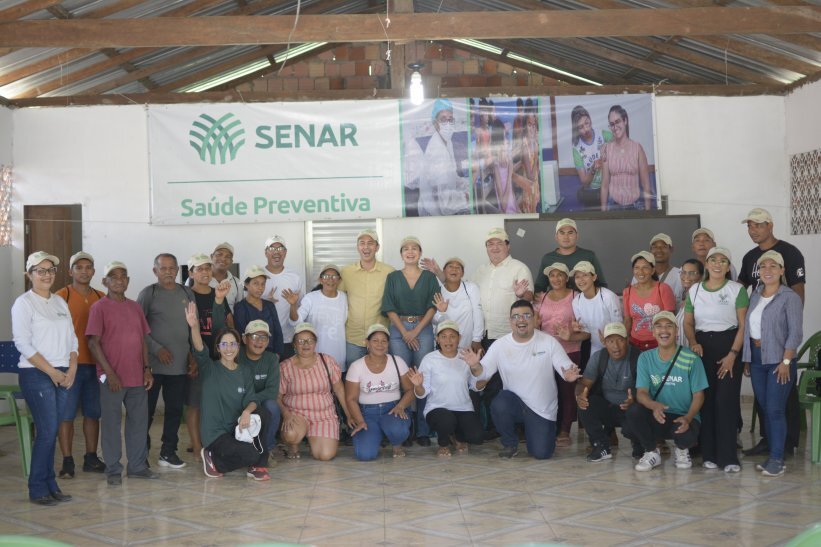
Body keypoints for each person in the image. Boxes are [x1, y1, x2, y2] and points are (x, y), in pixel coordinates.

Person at [462, 300, 582, 460]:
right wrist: (475, 366)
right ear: (510, 321)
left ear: (535, 318)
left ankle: (538, 433)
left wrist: (568, 375)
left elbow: (566, 367)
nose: (521, 320)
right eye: (516, 317)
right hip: (514, 404)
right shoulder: (500, 345)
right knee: (500, 402)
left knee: (541, 453)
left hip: (542, 410)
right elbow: (481, 374)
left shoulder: (548, 341)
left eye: (526, 315)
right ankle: (510, 443)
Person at [738, 208, 806, 460]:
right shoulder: (749, 259)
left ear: (770, 225)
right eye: (750, 226)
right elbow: (743, 294)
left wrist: (786, 334)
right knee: (765, 403)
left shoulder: (790, 252)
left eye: (758, 225)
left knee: (780, 403)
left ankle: (784, 446)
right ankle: (770, 443)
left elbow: (798, 291)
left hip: (780, 345)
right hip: (756, 353)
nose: (753, 230)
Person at [12, 251, 77, 506]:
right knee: (48, 431)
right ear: (30, 274)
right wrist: (52, 372)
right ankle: (38, 488)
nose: (47, 275)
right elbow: (23, 344)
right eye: (41, 270)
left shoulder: (60, 302)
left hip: (63, 373)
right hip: (37, 373)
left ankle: (51, 485)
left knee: (52, 430)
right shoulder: (24, 303)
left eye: (50, 270)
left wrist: (71, 369)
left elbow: (72, 338)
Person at [86, 261, 159, 485]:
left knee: (138, 422)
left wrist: (147, 369)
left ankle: (137, 466)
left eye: (123, 276)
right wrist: (111, 374)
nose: (119, 280)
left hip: (137, 376)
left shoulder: (135, 307)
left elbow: (143, 340)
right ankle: (113, 469)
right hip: (111, 379)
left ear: (128, 281)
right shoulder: (99, 307)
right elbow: (93, 343)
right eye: (113, 276)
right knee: (111, 424)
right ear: (104, 281)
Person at [185, 302, 271, 481]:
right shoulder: (209, 368)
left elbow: (252, 399)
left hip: (236, 429)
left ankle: (257, 467)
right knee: (251, 454)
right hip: (216, 434)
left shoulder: (244, 372)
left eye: (233, 344)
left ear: (238, 347)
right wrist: (194, 327)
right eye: (224, 345)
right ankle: (213, 459)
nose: (229, 348)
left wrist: (248, 412)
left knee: (264, 413)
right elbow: (199, 347)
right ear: (218, 348)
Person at [683, 246, 748, 473]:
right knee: (707, 401)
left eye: (723, 261)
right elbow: (688, 323)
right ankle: (709, 454)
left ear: (728, 266)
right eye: (713, 260)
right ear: (707, 265)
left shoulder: (736, 290)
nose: (718, 264)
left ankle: (729, 457)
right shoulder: (695, 290)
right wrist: (693, 342)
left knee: (725, 401)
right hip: (703, 350)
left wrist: (732, 355)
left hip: (728, 347)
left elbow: (742, 326)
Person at [470, 227, 534, 434]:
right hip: (486, 336)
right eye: (490, 244)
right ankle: (496, 426)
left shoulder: (519, 268)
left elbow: (529, 299)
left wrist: (522, 294)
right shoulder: (479, 271)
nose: (494, 247)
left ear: (508, 246)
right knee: (489, 382)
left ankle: (521, 426)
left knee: (513, 381)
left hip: (510, 336)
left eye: (499, 243)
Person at [626, 311, 708, 472]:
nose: (664, 331)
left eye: (669, 326)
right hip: (659, 414)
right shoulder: (645, 358)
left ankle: (682, 450)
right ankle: (651, 452)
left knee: (685, 435)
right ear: (653, 332)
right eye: (659, 326)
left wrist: (688, 417)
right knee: (633, 412)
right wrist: (653, 405)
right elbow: (641, 392)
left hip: (683, 416)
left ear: (677, 331)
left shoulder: (691, 358)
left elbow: (699, 395)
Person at [137, 253, 194, 470]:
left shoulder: (186, 292)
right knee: (147, 411)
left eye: (172, 268)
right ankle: (140, 452)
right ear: (155, 271)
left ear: (178, 270)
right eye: (164, 268)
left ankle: (168, 452)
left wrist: (191, 356)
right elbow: (139, 329)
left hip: (179, 365)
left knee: (173, 411)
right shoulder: (148, 293)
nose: (169, 271)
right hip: (153, 366)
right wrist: (156, 348)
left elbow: (191, 327)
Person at [381, 236, 439, 446]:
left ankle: (423, 430)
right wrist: (404, 332)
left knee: (422, 378)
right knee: (402, 379)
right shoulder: (393, 277)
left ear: (420, 252)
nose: (410, 251)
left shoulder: (430, 277)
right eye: (406, 248)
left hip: (422, 329)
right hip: (398, 329)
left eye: (415, 248)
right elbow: (389, 307)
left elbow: (433, 306)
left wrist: (415, 331)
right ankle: (403, 429)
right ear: (401, 254)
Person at [54, 251, 105, 478]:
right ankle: (67, 461)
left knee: (93, 414)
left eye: (88, 267)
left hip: (95, 366)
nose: (84, 271)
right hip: (69, 366)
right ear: (70, 271)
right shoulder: (60, 296)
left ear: (94, 271)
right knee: (66, 415)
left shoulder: (102, 296)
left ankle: (91, 457)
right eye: (79, 267)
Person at [408, 320, 486, 457]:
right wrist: (418, 385)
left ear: (459, 338)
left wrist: (477, 369)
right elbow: (421, 394)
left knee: (477, 437)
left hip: (463, 408)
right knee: (447, 421)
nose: (448, 341)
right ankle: (443, 443)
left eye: (452, 336)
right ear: (437, 339)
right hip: (437, 409)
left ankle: (457, 437)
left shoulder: (466, 356)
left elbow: (476, 385)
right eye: (443, 336)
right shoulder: (429, 359)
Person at [278, 323, 351, 461]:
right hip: (296, 414)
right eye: (300, 341)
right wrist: (286, 414)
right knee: (291, 434)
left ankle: (314, 439)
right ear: (294, 344)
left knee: (325, 455)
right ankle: (294, 445)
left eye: (310, 340)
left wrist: (348, 414)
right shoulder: (285, 366)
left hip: (324, 415)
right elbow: (277, 396)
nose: (306, 344)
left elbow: (339, 389)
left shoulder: (327, 361)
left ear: (315, 343)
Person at [187, 252, 234, 461]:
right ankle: (197, 447)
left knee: (216, 402)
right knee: (195, 402)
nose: (205, 272)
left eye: (207, 268)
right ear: (191, 273)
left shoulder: (218, 293)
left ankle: (215, 441)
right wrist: (190, 357)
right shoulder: (186, 295)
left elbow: (224, 325)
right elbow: (183, 329)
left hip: (217, 357)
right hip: (195, 358)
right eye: (200, 268)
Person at [534, 262, 586, 447]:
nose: (556, 279)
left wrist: (572, 333)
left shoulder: (576, 297)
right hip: (545, 352)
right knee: (548, 390)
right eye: (552, 275)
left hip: (569, 351)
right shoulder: (543, 297)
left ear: (567, 277)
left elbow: (584, 328)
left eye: (560, 275)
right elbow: (536, 324)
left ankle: (564, 429)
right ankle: (552, 426)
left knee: (567, 391)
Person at [344, 324, 414, 460]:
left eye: (384, 341)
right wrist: (360, 421)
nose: (380, 344)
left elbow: (410, 390)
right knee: (364, 455)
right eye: (375, 340)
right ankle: (376, 433)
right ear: (367, 343)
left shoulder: (397, 361)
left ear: (388, 344)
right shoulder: (356, 366)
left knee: (397, 430)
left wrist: (400, 406)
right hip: (368, 413)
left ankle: (396, 444)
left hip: (393, 409)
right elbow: (351, 399)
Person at [576, 322, 641, 462]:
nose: (615, 346)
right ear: (604, 342)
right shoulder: (598, 357)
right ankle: (601, 446)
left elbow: (647, 390)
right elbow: (584, 384)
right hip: (608, 406)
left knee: (638, 412)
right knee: (585, 404)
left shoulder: (638, 358)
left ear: (627, 340)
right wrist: (580, 395)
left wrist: (634, 399)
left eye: (620, 340)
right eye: (610, 341)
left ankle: (639, 444)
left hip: (631, 408)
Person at [339, 229, 395, 366]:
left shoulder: (389, 272)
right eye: (362, 243)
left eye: (370, 243)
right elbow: (336, 299)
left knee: (381, 377)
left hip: (380, 337)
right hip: (353, 337)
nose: (366, 247)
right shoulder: (346, 272)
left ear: (377, 247)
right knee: (353, 377)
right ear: (357, 247)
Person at [286, 264, 348, 370]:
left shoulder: (344, 297)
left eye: (334, 276)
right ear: (320, 279)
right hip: (316, 359)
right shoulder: (311, 298)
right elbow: (295, 322)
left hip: (339, 358)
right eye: (326, 276)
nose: (330, 280)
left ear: (339, 280)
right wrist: (293, 305)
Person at [418, 98, 471, 216]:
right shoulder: (437, 150)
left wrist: (468, 185)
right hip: (432, 214)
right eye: (443, 119)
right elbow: (445, 203)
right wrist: (466, 197)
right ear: (435, 123)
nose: (448, 123)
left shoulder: (447, 141)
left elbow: (453, 176)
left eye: (450, 119)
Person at [238, 320, 281, 460]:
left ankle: (267, 449)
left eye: (264, 338)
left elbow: (272, 392)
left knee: (272, 406)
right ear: (245, 339)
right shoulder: (236, 356)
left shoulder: (271, 359)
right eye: (255, 337)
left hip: (258, 404)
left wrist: (252, 403)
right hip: (239, 402)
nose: (259, 342)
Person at [600, 104, 652, 211]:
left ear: (625, 121)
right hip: (613, 205)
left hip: (636, 206)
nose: (615, 127)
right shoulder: (607, 150)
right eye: (612, 124)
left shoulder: (638, 149)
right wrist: (603, 213)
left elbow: (646, 184)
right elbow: (605, 185)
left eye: (618, 121)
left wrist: (648, 214)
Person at [534, 218, 607, 293]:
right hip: (558, 303)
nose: (566, 237)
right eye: (562, 233)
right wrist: (537, 295)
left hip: (583, 302)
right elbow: (539, 286)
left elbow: (601, 284)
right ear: (556, 236)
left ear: (577, 236)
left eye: (570, 232)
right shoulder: (548, 258)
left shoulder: (589, 256)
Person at [623, 251, 676, 351]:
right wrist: (625, 340)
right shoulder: (628, 291)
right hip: (635, 343)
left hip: (659, 343)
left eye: (645, 267)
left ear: (652, 270)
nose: (640, 272)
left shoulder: (663, 289)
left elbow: (670, 320)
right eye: (637, 268)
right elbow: (627, 320)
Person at [262, 235, 304, 360]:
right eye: (272, 248)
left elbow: (299, 309)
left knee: (289, 377)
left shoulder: (295, 277)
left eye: (280, 248)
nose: (276, 252)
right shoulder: (258, 275)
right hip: (263, 339)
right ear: (266, 253)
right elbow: (247, 305)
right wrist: (265, 302)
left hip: (288, 339)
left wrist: (293, 304)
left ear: (285, 252)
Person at [570, 261, 622, 357]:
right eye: (577, 277)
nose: (581, 280)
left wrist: (609, 342)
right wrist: (572, 335)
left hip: (616, 347)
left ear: (594, 277)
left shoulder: (608, 297)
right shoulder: (576, 302)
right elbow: (587, 333)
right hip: (595, 350)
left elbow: (619, 328)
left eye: (585, 275)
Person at [432, 257, 483, 352]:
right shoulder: (438, 291)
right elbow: (434, 322)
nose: (454, 269)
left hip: (467, 345)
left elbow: (478, 313)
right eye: (450, 266)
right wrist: (441, 312)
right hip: (445, 346)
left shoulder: (471, 288)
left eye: (458, 267)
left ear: (462, 273)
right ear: (444, 271)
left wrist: (477, 339)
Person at [233, 265, 285, 359]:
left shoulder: (269, 306)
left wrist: (277, 354)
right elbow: (241, 335)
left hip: (271, 354)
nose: (260, 288)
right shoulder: (240, 307)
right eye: (256, 283)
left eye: (263, 284)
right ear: (246, 284)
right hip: (250, 356)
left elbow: (278, 332)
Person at [571, 105, 612, 208]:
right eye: (580, 127)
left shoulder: (604, 135)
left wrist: (608, 151)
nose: (586, 129)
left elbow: (622, 152)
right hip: (592, 191)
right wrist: (593, 169)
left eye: (587, 123)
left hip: (610, 187)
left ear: (590, 119)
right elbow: (584, 181)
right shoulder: (576, 149)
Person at [675, 259, 705, 349]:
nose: (686, 276)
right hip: (682, 353)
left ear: (701, 276)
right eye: (683, 272)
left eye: (692, 273)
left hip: (694, 353)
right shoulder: (685, 297)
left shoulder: (701, 299)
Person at [644, 234, 683, 301]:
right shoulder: (641, 274)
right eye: (655, 247)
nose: (659, 250)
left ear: (671, 249)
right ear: (650, 250)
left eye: (664, 247)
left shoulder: (680, 274)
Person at [209, 242, 243, 312]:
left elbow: (239, 309)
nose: (223, 258)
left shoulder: (237, 283)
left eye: (228, 256)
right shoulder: (199, 279)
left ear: (231, 261)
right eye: (219, 254)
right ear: (211, 257)